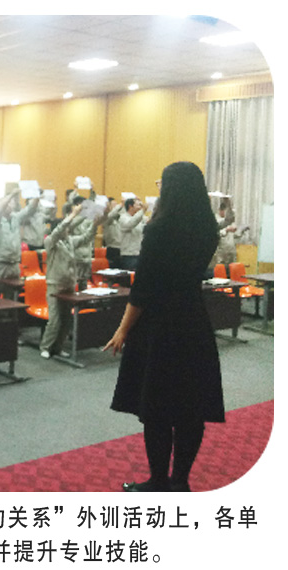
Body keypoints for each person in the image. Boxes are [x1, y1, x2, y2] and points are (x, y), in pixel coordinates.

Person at [103, 161, 224, 492]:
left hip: (159, 326)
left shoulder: (159, 230)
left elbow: (143, 288)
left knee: (156, 408)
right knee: (190, 408)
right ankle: (180, 481)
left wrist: (122, 330)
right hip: (193, 322)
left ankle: (158, 481)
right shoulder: (207, 229)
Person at [39, 196, 97, 359]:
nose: (68, 230)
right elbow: (60, 229)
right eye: (66, 228)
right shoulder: (51, 242)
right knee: (55, 319)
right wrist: (73, 214)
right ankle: (46, 346)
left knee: (66, 319)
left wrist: (95, 224)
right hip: (55, 284)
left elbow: (86, 238)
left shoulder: (70, 241)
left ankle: (58, 347)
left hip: (69, 284)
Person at [0, 186, 40, 300]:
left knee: (10, 296)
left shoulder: (16, 217)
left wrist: (36, 194)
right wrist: (11, 195)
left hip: (13, 264)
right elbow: (1, 209)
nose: (10, 205)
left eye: (12, 203)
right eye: (8, 203)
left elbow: (30, 208)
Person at [117, 198, 147, 270]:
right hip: (128, 255)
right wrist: (142, 211)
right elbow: (131, 223)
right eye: (138, 205)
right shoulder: (123, 217)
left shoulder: (139, 218)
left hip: (139, 253)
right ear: (130, 206)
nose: (140, 207)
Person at [102, 197, 124, 268]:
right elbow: (111, 215)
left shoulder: (119, 217)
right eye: (114, 205)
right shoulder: (105, 217)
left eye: (116, 204)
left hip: (122, 248)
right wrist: (120, 205)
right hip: (112, 249)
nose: (116, 206)